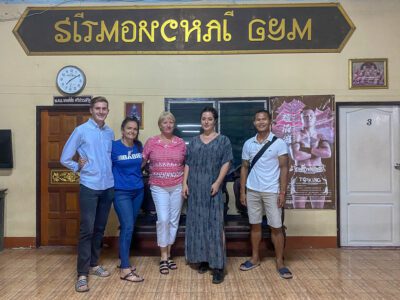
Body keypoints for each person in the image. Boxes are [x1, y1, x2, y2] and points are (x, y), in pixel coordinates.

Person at [60, 96, 114, 292]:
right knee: (87, 230)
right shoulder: (81, 131)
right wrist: (77, 166)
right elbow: (64, 157)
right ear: (91, 110)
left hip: (108, 186)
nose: (101, 111)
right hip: (89, 186)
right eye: (97, 108)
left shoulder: (109, 132)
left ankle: (94, 264)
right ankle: (82, 274)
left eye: (104, 108)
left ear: (108, 111)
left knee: (100, 229)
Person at [239, 110, 292, 279]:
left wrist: (282, 192)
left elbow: (284, 168)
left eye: (264, 119)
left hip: (272, 191)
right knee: (254, 225)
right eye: (258, 119)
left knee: (276, 227)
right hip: (252, 190)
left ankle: (280, 262)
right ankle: (255, 258)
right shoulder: (249, 143)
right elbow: (244, 167)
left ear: (270, 122)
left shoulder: (279, 143)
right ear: (254, 123)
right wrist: (243, 191)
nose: (261, 122)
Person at [183, 106, 233, 284]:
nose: (206, 121)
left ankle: (218, 266)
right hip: (195, 189)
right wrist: (184, 184)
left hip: (213, 188)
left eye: (210, 119)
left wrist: (218, 182)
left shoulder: (223, 140)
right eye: (203, 118)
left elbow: (226, 162)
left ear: (215, 121)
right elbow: (188, 163)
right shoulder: (194, 141)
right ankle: (204, 259)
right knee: (198, 224)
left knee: (214, 225)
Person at [142, 112, 186, 275]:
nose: (168, 125)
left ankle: (168, 254)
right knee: (163, 220)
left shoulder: (181, 143)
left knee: (174, 220)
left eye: (171, 122)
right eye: (165, 122)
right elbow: (141, 162)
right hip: (158, 186)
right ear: (160, 125)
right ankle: (163, 257)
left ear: (174, 125)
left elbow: (186, 164)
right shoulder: (151, 142)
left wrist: (184, 184)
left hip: (177, 186)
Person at [111, 117, 144, 283]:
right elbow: (106, 166)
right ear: (123, 130)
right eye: (129, 128)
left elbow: (141, 165)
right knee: (128, 226)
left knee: (127, 227)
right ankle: (125, 269)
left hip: (138, 191)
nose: (132, 131)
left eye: (135, 129)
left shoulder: (139, 146)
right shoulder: (114, 147)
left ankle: (123, 260)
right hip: (121, 192)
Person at [291, 106, 331, 209]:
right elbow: (296, 155)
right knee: (298, 212)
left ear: (315, 118)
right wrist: (317, 151)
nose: (308, 118)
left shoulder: (320, 136)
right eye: (305, 116)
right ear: (301, 119)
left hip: (317, 175)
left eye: (311, 115)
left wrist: (305, 150)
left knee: (318, 211)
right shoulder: (297, 135)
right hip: (301, 175)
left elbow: (327, 153)